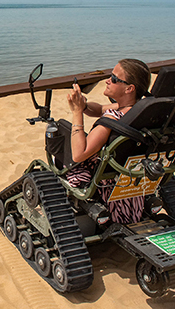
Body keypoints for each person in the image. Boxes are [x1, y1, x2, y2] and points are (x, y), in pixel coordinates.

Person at [66, 58, 151, 224]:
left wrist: (77, 112)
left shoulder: (113, 119)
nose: (107, 80)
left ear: (129, 88)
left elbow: (79, 154)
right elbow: (98, 109)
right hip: (128, 174)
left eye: (113, 79)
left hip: (104, 177)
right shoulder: (138, 111)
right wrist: (83, 105)